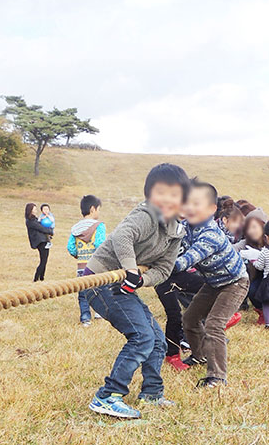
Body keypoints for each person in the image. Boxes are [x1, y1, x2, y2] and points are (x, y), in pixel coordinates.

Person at [82, 163, 188, 419]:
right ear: (150, 195)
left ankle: (152, 393)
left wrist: (142, 280)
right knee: (141, 337)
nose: (166, 199)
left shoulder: (176, 232)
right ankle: (107, 396)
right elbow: (122, 237)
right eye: (160, 193)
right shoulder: (146, 214)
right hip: (100, 281)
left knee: (157, 339)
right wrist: (130, 269)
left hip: (124, 284)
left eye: (174, 194)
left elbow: (163, 269)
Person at [177, 180, 249, 387]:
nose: (190, 208)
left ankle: (217, 376)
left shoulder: (210, 234)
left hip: (235, 282)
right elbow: (170, 238)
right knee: (190, 318)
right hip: (213, 282)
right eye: (187, 203)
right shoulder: (185, 227)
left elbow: (189, 258)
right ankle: (199, 356)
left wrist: (165, 266)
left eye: (196, 204)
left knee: (214, 324)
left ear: (211, 209)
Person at [66, 194, 107, 326]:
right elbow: (100, 244)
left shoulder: (76, 228)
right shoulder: (99, 226)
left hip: (82, 266)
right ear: (92, 209)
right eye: (98, 209)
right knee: (99, 289)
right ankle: (99, 313)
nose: (99, 212)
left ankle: (85, 318)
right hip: (96, 266)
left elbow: (70, 247)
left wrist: (79, 255)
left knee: (83, 292)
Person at [154, 266, 203, 371]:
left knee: (209, 284)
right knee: (174, 315)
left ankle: (218, 320)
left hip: (181, 272)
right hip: (162, 276)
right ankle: (172, 355)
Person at [25, 203, 54, 282]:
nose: (36, 210)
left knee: (44, 260)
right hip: (41, 242)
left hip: (43, 241)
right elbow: (41, 228)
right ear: (30, 210)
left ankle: (41, 277)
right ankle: (36, 278)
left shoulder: (35, 219)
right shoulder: (31, 221)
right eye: (34, 209)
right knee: (43, 260)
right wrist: (51, 231)